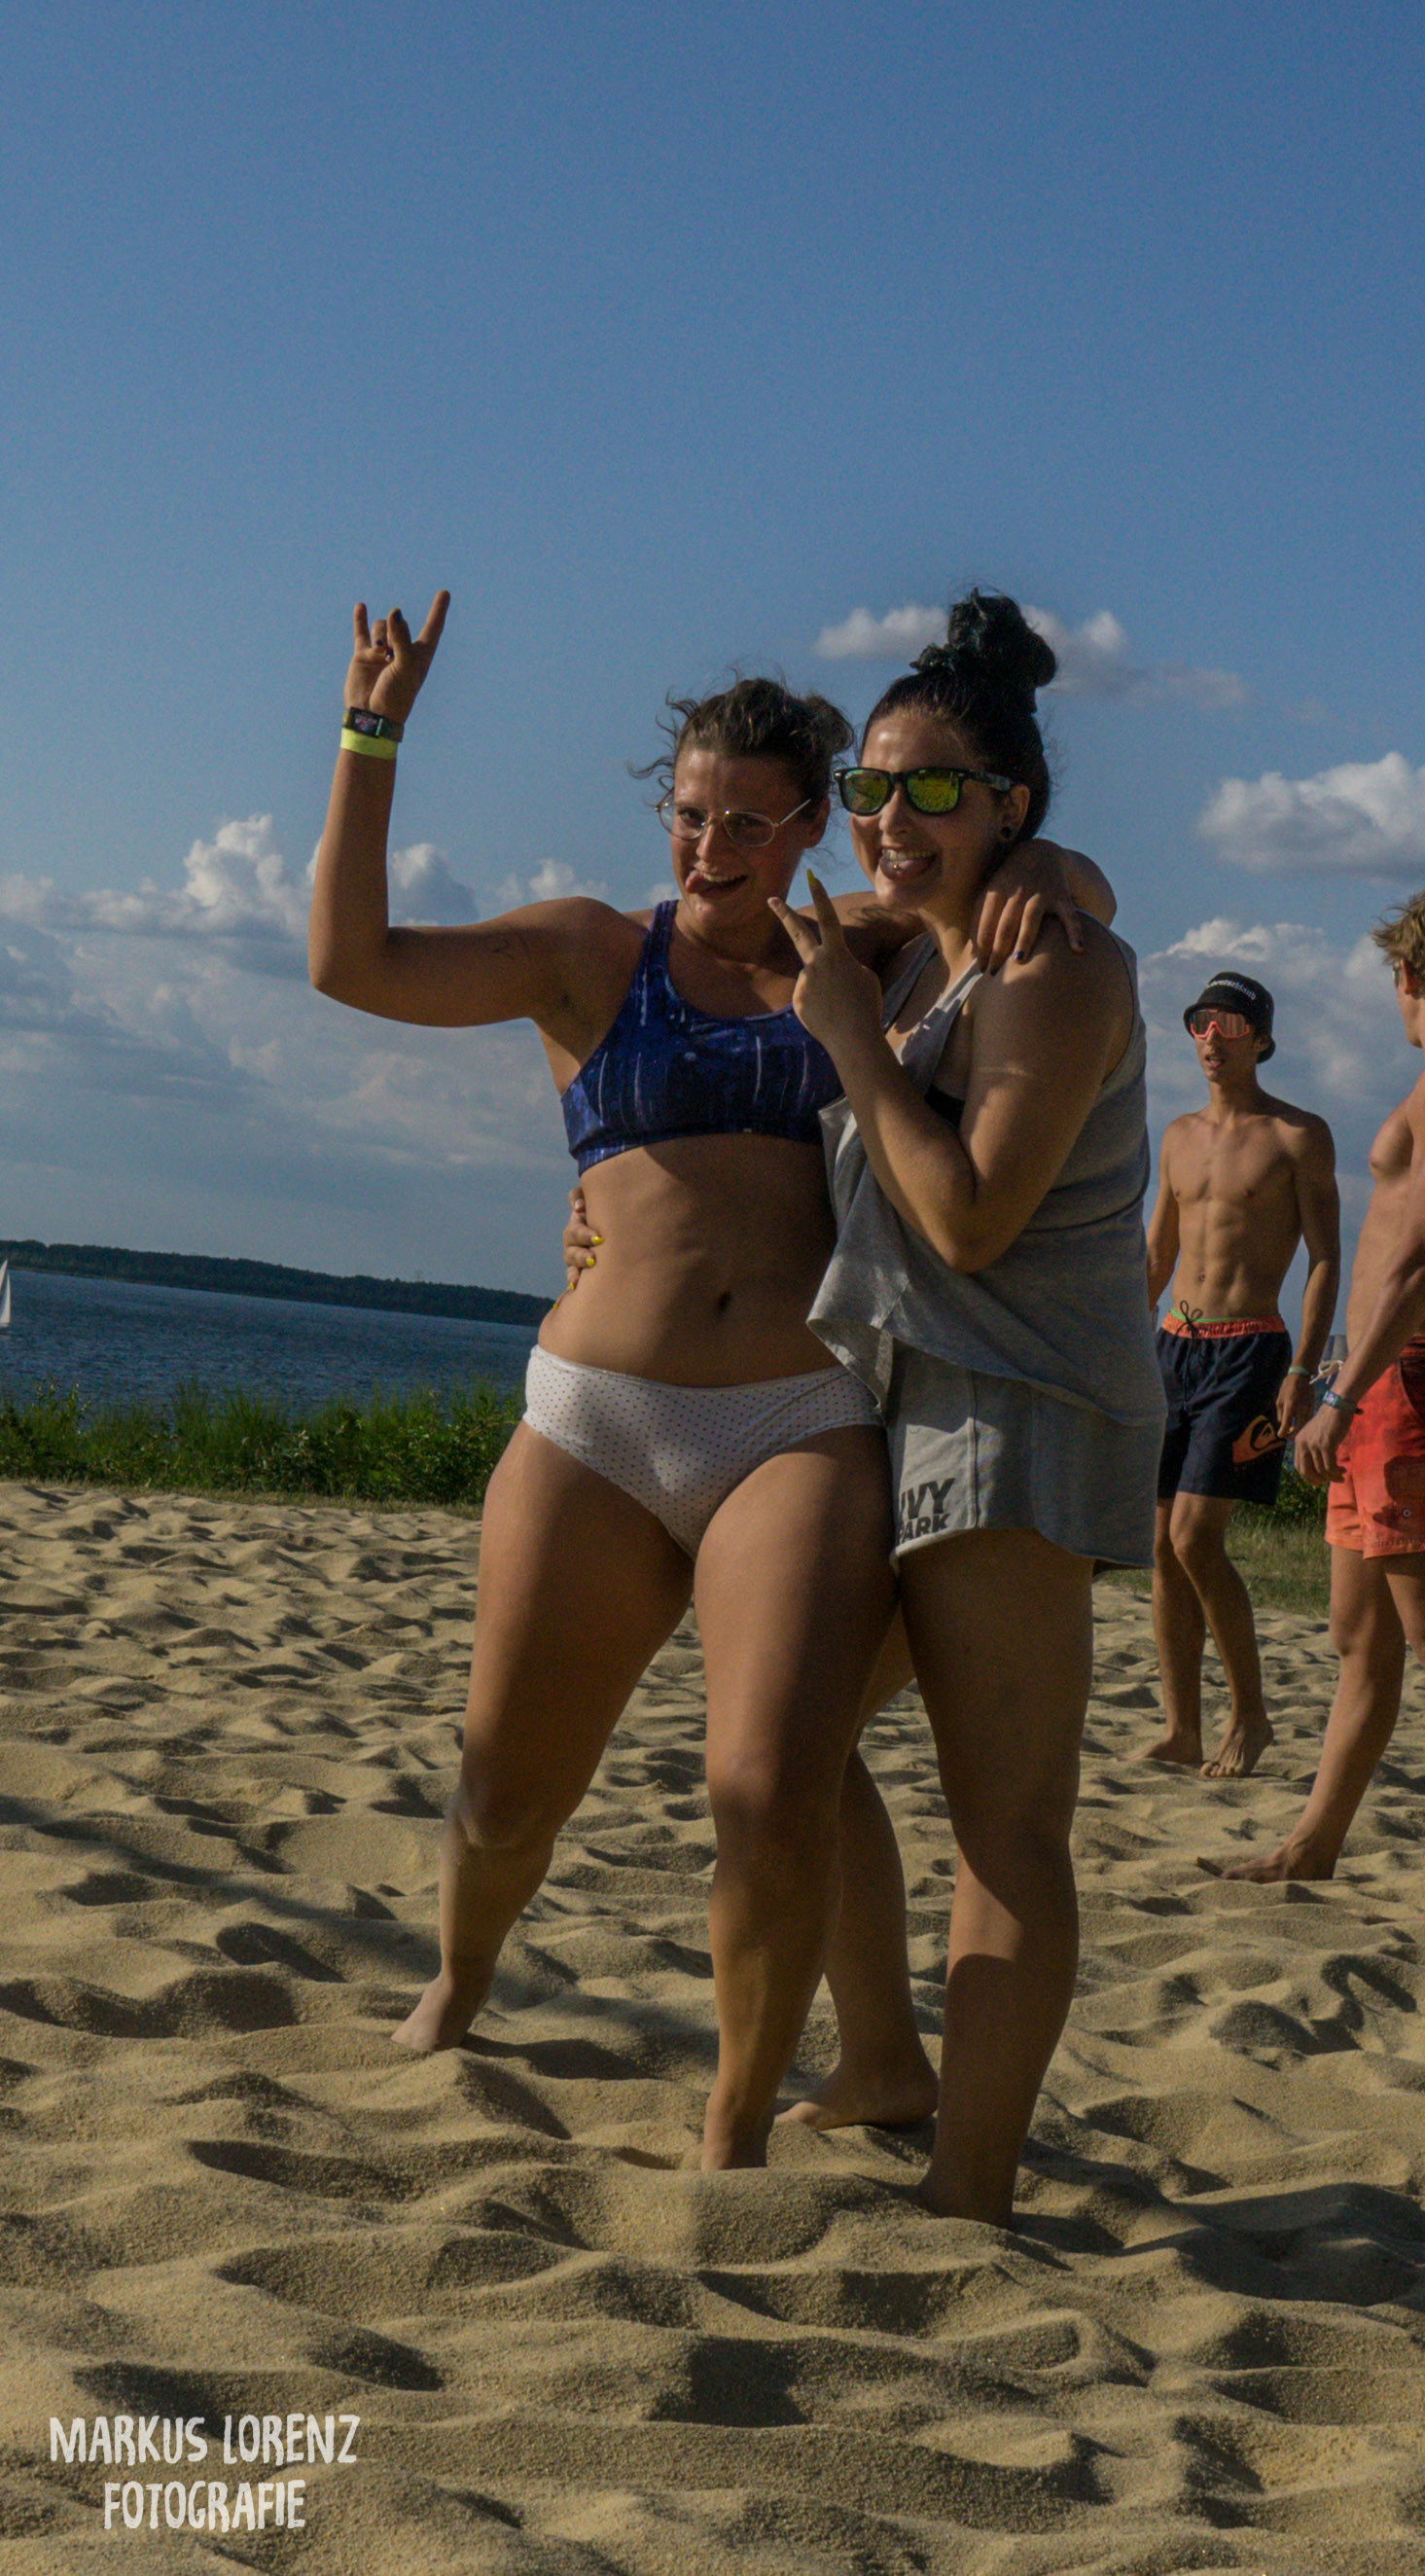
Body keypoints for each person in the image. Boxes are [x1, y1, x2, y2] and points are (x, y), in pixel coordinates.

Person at [307, 590, 1098, 2168]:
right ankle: (458, 1980)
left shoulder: (863, 950)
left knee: (767, 1791)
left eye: (746, 821)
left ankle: (733, 2131)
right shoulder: (589, 952)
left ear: (810, 826)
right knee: (503, 1793)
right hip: (595, 1420)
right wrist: (369, 735)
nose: (707, 846)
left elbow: (1036, 881)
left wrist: (1052, 867)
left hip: (795, 1424)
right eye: (686, 814)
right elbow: (352, 962)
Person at [768, 592, 1165, 2227]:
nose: (889, 818)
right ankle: (882, 2062)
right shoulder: (934, 956)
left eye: (933, 789)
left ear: (1010, 802)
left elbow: (974, 1218)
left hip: (1015, 1409)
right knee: (785, 1755)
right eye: (869, 787)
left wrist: (854, 1049)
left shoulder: (1047, 962)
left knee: (1004, 1829)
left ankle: (972, 2190)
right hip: (900, 1400)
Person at [1215, 881, 1425, 1920]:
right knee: (1360, 1634)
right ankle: (1312, 1845)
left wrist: (1341, 1396)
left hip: (1406, 1377)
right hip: (1391, 1373)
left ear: (1405, 975)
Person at [1143, 971, 1339, 1777]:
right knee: (1160, 1545)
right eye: (1200, 1023)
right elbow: (1157, 1252)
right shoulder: (1177, 1135)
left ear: (1259, 1040)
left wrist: (1303, 1370)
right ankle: (1181, 1728)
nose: (1211, 1038)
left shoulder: (1298, 1135)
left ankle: (1250, 1716)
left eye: (1228, 1025)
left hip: (1250, 1349)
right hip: (1171, 1346)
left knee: (1195, 1538)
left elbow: (1324, 1259)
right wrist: (1119, 1341)